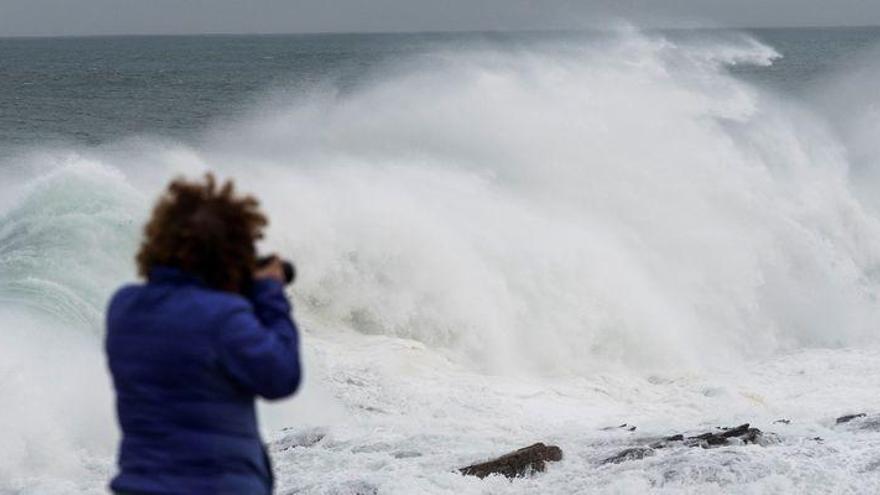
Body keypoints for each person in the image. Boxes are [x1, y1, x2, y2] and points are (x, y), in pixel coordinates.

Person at [105, 174, 302, 495]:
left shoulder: (125, 307)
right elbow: (281, 376)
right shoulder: (224, 318)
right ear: (233, 253)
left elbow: (185, 326)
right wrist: (269, 292)